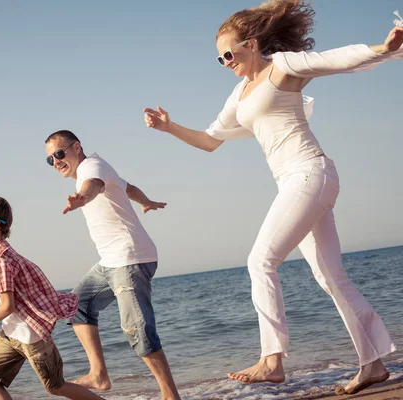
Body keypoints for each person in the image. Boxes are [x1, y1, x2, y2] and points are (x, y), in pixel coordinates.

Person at [143, 0, 402, 395]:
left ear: (251, 43)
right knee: (332, 277)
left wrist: (383, 49)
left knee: (260, 260)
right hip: (294, 182)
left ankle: (272, 359)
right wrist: (169, 127)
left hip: (309, 172)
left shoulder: (282, 67)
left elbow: (334, 59)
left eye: (229, 53)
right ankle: (373, 364)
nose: (226, 61)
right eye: (219, 59)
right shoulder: (240, 93)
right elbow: (211, 141)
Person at [44, 130, 181, 399]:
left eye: (59, 154)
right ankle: (98, 374)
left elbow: (92, 186)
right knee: (77, 304)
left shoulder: (91, 168)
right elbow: (127, 188)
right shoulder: (98, 165)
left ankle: (170, 395)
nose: (56, 161)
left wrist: (81, 199)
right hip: (111, 261)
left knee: (137, 330)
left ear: (76, 147)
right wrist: (147, 202)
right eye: (50, 159)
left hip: (129, 259)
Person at [0, 195, 105, 400]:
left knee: (55, 386)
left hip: (30, 336)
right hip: (11, 333)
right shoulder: (2, 256)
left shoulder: (1, 261)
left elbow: (7, 306)